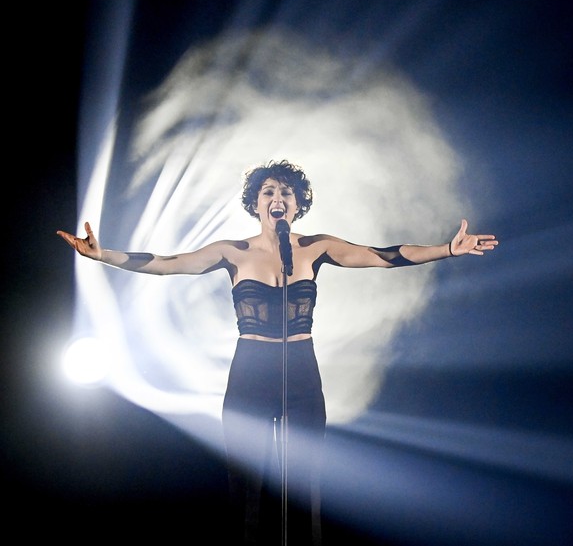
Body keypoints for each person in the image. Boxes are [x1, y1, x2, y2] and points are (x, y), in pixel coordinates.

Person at [57, 159, 498, 545]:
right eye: (269, 190)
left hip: (301, 370)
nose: (277, 197)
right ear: (256, 203)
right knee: (245, 487)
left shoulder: (315, 247)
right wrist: (103, 256)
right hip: (250, 369)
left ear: (297, 203)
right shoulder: (232, 251)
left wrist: (446, 249)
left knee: (304, 486)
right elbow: (168, 263)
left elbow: (382, 255)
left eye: (286, 191)